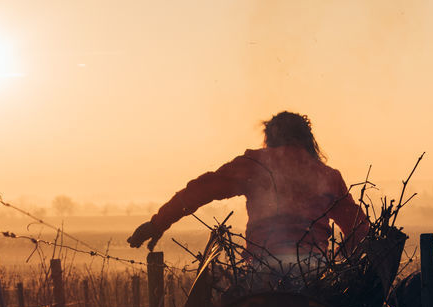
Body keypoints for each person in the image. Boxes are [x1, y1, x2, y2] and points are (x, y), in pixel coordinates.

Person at [127, 111, 369, 284]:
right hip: (313, 273)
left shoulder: (255, 165)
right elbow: (359, 230)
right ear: (307, 139)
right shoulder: (327, 176)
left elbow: (200, 190)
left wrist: (158, 223)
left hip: (262, 271)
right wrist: (339, 265)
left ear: (270, 138)